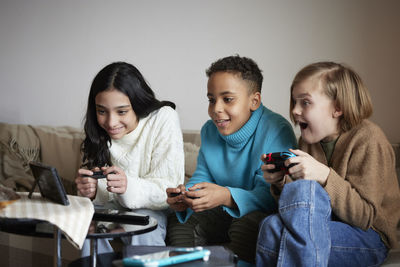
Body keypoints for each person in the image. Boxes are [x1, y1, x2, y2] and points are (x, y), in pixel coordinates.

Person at [256, 61, 400, 266]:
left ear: (338, 108)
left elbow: (364, 217)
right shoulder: (307, 142)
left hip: (369, 235)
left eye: (305, 102)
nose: (295, 111)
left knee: (306, 194)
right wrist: (280, 182)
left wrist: (324, 175)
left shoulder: (369, 138)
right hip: (319, 223)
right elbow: (301, 212)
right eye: (294, 102)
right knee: (270, 226)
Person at [166, 55, 297, 265]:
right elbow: (203, 174)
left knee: (246, 225)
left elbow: (270, 194)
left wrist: (227, 196)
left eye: (227, 99)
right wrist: (188, 195)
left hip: (258, 213)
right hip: (220, 212)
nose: (216, 108)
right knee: (181, 219)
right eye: (211, 99)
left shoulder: (276, 129)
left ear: (254, 101)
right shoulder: (210, 130)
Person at [75, 61, 184, 256]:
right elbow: (103, 198)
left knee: (143, 225)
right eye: (102, 111)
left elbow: (169, 190)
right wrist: (91, 190)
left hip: (150, 210)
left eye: (122, 111)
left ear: (138, 104)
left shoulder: (163, 118)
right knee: (84, 224)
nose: (110, 122)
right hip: (108, 211)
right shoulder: (98, 131)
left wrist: (127, 186)